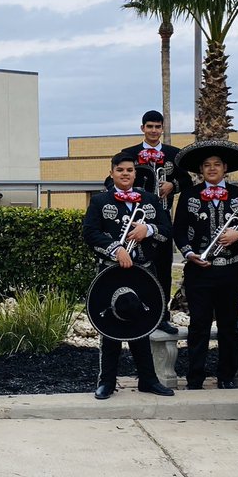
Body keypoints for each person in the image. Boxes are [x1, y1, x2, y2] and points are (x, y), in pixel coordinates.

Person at [82, 152, 175, 400]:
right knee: (110, 327)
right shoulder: (100, 201)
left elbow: (167, 230)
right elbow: (90, 233)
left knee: (142, 323)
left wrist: (149, 229)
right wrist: (116, 248)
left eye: (130, 170)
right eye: (121, 170)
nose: (126, 174)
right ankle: (106, 382)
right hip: (111, 271)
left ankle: (148, 380)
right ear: (112, 172)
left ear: (135, 173)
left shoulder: (150, 200)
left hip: (143, 270)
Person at [172, 140, 238, 389]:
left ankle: (226, 376)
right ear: (201, 170)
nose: (212, 169)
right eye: (207, 165)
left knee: (228, 323)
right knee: (198, 323)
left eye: (216, 165)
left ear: (225, 168)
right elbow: (179, 232)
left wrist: (237, 235)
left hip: (231, 268)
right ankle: (195, 377)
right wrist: (189, 254)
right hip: (199, 269)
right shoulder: (189, 195)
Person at [118, 110, 192, 335]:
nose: (153, 130)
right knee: (134, 268)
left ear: (162, 129)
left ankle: (162, 316)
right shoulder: (129, 153)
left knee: (163, 269)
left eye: (157, 127)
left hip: (161, 220)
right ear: (142, 128)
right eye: (149, 126)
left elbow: (187, 181)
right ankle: (134, 313)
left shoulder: (174, 154)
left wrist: (173, 186)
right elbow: (114, 178)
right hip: (134, 219)